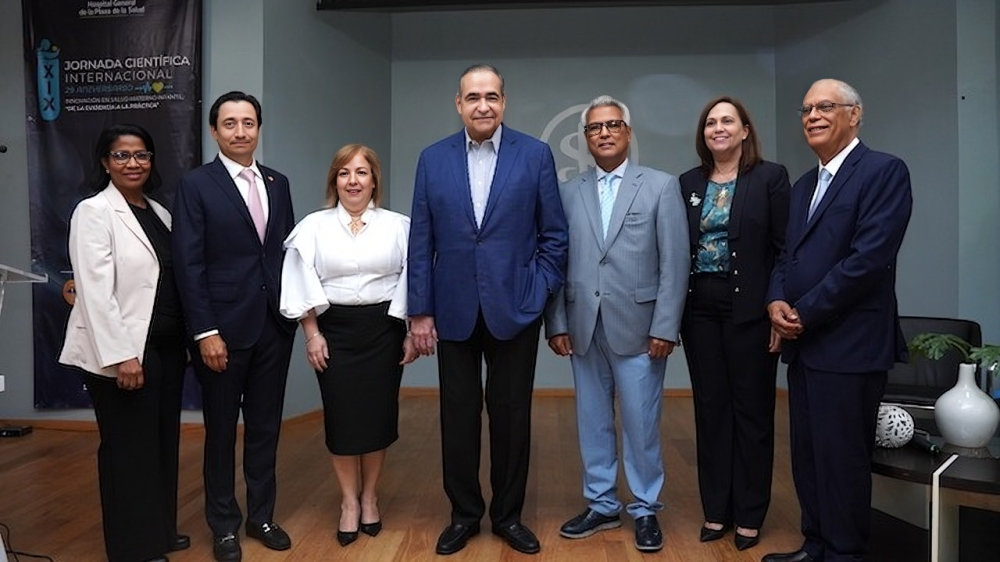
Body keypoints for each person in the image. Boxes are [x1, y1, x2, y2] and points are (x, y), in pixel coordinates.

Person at [407, 63, 568, 556]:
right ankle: (463, 515)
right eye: (473, 97)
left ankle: (508, 516)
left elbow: (554, 236)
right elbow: (421, 240)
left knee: (512, 416)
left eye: (492, 96)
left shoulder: (535, 155)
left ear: (504, 102)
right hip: (452, 310)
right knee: (457, 418)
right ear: (458, 104)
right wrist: (420, 310)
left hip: (515, 308)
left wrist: (536, 290)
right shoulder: (432, 159)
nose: (483, 105)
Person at [763, 79, 912, 562]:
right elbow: (786, 257)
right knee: (807, 455)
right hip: (804, 345)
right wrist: (775, 302)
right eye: (806, 108)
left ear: (855, 114)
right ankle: (816, 545)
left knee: (842, 460)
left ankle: (844, 552)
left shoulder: (884, 171)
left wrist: (804, 311)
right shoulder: (805, 184)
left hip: (850, 345)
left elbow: (867, 260)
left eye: (825, 106)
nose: (812, 115)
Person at [544, 95, 688, 553]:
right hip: (584, 325)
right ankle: (602, 504)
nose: (603, 133)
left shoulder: (661, 187)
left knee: (642, 424)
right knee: (592, 422)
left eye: (612, 125)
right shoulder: (569, 191)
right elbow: (556, 260)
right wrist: (557, 322)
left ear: (627, 132)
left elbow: (676, 262)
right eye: (594, 128)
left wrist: (666, 326)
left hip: (642, 329)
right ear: (585, 138)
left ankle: (645, 509)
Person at [172, 91, 297, 562]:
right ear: (213, 131)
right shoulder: (197, 185)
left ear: (258, 128)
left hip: (272, 329)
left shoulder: (277, 182)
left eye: (248, 123)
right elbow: (189, 263)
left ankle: (261, 516)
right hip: (221, 333)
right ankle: (223, 525)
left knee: (266, 429)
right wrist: (205, 332)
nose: (240, 131)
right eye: (229, 124)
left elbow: (283, 253)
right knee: (222, 432)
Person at [59, 124, 188, 562]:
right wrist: (122, 357)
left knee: (161, 445)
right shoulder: (93, 212)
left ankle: (161, 531)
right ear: (104, 162)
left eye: (141, 155)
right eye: (121, 155)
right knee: (129, 451)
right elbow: (95, 291)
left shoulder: (159, 211)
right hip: (126, 352)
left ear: (152, 161)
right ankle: (135, 548)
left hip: (168, 349)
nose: (133, 163)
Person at [279, 144, 418, 547]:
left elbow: (412, 278)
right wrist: (312, 334)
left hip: (384, 329)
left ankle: (370, 495)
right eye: (344, 173)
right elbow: (299, 281)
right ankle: (348, 503)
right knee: (342, 418)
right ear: (334, 181)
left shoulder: (399, 226)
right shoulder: (313, 227)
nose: (353, 181)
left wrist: (409, 329)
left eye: (361, 172)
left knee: (376, 417)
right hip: (333, 331)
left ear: (374, 179)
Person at [678, 96, 790, 551]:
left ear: (746, 130)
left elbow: (786, 250)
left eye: (728, 121)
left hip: (750, 313)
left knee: (752, 413)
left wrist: (778, 307)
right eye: (710, 123)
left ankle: (749, 513)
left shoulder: (770, 178)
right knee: (711, 411)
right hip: (699, 313)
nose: (718, 128)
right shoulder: (688, 182)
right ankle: (716, 510)